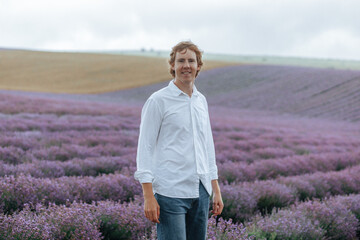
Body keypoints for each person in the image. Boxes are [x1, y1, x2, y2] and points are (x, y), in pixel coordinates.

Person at [134, 41, 223, 240]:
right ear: (172, 65)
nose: (186, 65)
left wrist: (215, 189)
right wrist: (148, 195)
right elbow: (145, 148)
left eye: (191, 61)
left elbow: (207, 146)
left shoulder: (201, 101)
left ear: (198, 66)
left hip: (200, 191)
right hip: (170, 191)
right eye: (181, 60)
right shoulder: (158, 101)